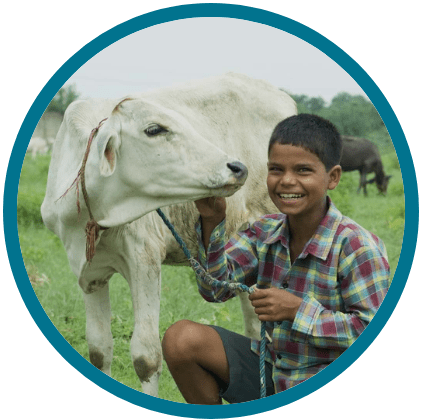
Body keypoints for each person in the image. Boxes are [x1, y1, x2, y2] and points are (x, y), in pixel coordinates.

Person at [161, 114, 390, 405]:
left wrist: (298, 311)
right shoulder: (264, 232)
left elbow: (374, 333)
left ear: (332, 177)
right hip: (274, 369)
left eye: (303, 170)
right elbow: (215, 289)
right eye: (276, 169)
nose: (287, 181)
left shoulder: (357, 247)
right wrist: (212, 222)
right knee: (182, 339)